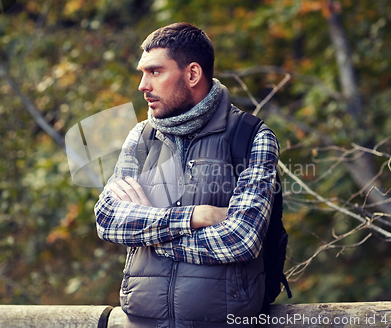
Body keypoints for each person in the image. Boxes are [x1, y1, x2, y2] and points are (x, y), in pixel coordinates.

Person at [94, 22, 280, 328]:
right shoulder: (141, 138)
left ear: (192, 74)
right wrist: (196, 216)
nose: (142, 85)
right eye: (143, 72)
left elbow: (241, 239)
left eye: (155, 72)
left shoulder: (251, 137)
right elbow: (108, 220)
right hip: (142, 322)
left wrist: (149, 233)